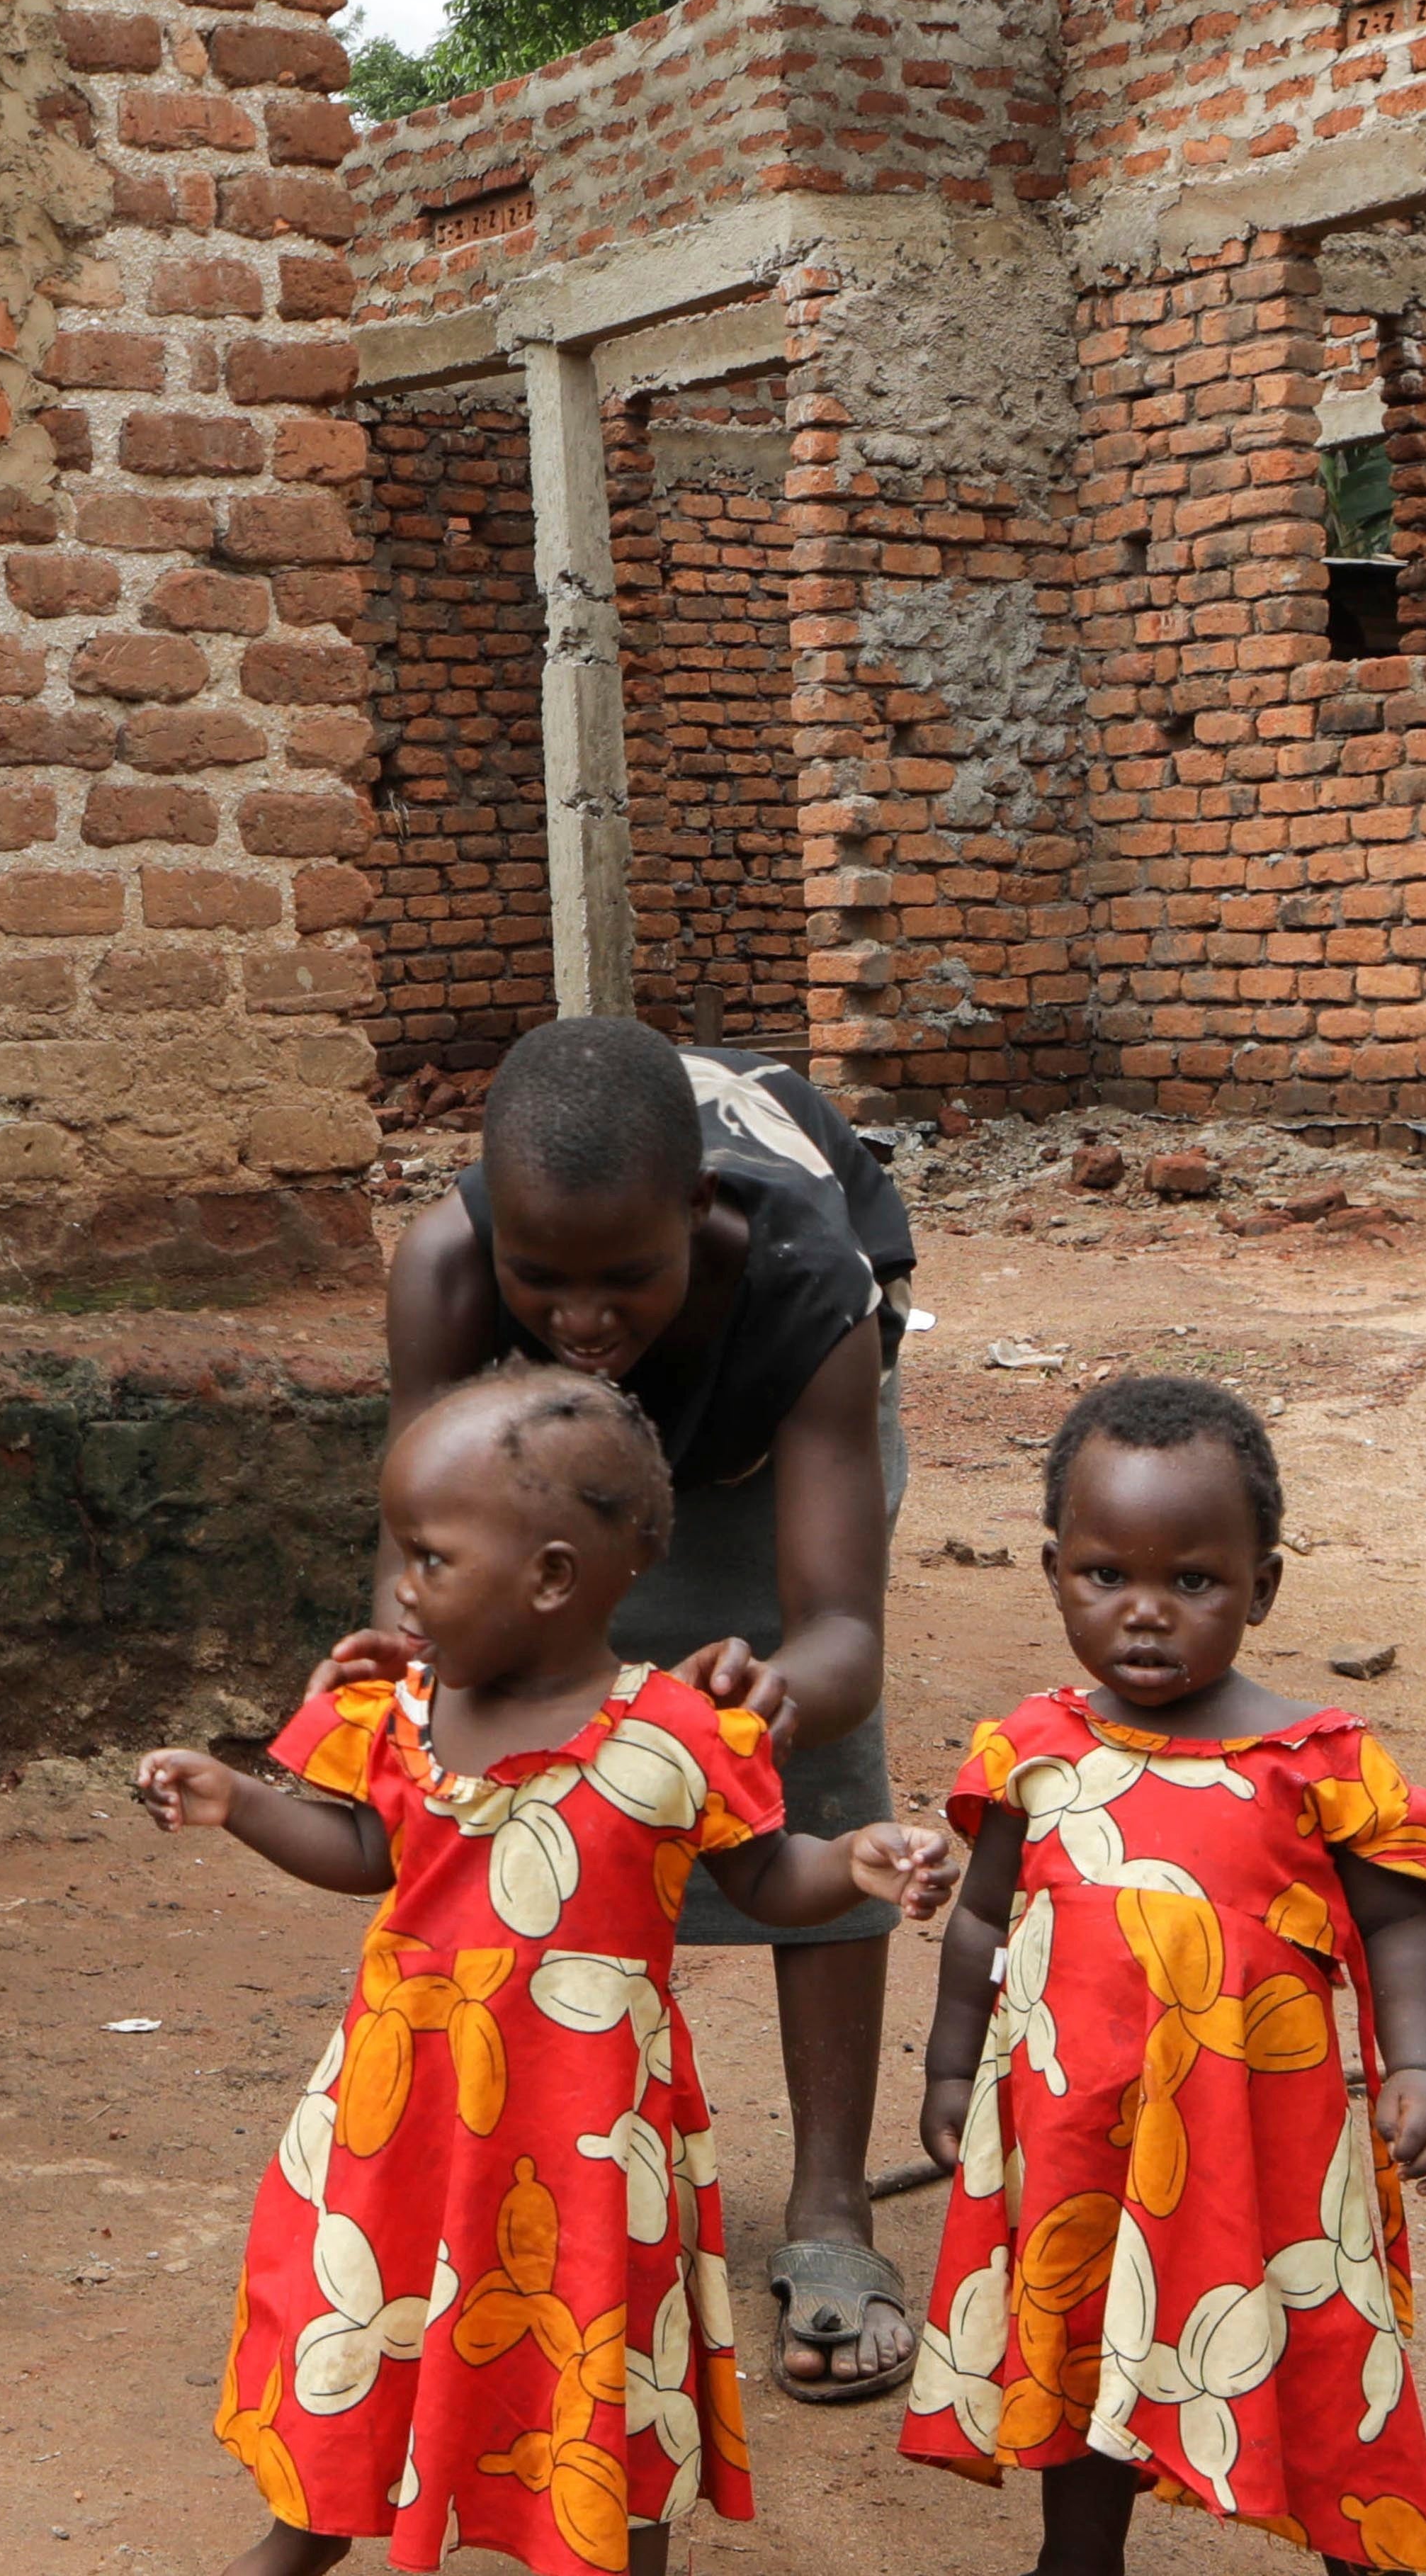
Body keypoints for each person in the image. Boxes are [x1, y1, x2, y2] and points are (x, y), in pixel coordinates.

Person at [140, 1367, 956, 2576]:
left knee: (597, 2346)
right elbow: (373, 1854)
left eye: (429, 1558)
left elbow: (770, 1881)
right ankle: (301, 2540)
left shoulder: (676, 1733)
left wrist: (855, 1861)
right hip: (400, 2114)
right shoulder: (396, 1712)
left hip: (586, 2137)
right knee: (358, 2325)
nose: (401, 1589)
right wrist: (243, 1804)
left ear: (553, 1578)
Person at [312, 1015, 926, 2400]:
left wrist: (761, 1696)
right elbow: (424, 1543)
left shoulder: (805, 1283)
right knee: (498, 1767)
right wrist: (414, 1692)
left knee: (811, 1776)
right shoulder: (453, 1273)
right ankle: (490, 2177)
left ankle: (830, 2205)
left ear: (697, 1210)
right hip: (545, 1451)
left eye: (624, 1278)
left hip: (762, 1431)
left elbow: (840, 1633)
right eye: (548, 1279)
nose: (583, 1319)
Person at [900, 1377, 1426, 2575]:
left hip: (1260, 2146)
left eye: (1193, 1582)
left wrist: (1421, 2067)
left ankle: (1363, 2544)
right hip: (1074, 2133)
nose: (1145, 1615)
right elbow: (981, 1926)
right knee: (1084, 2330)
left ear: (1262, 1586)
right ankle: (1078, 2554)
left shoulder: (1319, 1761)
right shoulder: (1033, 1751)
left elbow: (1401, 1926)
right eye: (1107, 1576)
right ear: (1057, 1569)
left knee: (1318, 2347)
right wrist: (954, 2070)